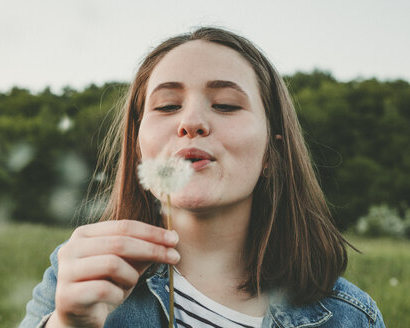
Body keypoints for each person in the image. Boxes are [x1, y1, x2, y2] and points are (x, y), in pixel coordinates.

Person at [20, 27, 385, 328]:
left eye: (225, 104)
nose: (191, 122)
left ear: (271, 152)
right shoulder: (79, 276)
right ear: (138, 149)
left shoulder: (349, 317)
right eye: (166, 106)